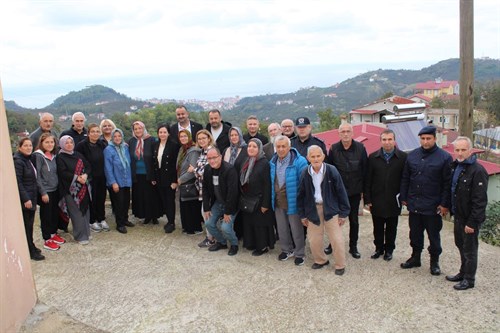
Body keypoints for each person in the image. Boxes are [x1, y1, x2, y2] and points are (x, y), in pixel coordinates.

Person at [399, 126, 453, 275]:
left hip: (433, 206)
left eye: (428, 138)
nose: (425, 141)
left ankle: (434, 262)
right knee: (415, 234)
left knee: (434, 236)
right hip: (414, 204)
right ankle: (415, 258)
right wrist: (404, 197)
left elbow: (447, 184)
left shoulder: (444, 157)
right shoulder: (412, 155)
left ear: (435, 139)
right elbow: (405, 178)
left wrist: (444, 204)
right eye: (423, 138)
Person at [298, 145, 350, 275]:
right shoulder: (305, 172)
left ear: (323, 156)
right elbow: (301, 196)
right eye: (313, 156)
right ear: (308, 158)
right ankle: (320, 260)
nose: (316, 159)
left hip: (330, 209)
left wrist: (343, 213)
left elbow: (341, 191)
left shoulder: (331, 170)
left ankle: (340, 264)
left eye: (318, 156)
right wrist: (303, 215)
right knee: (314, 239)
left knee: (336, 239)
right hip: (313, 209)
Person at [446, 136, 488, 290]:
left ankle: (469, 280)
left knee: (470, 250)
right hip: (459, 216)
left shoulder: (478, 170)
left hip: (470, 219)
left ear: (470, 151)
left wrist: (472, 222)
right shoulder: (456, 167)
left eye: (463, 150)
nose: (460, 153)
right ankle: (462, 273)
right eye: (457, 150)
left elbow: (480, 200)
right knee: (460, 245)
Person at [364, 129, 407, 261]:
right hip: (377, 199)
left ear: (394, 141)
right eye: (384, 140)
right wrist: (368, 199)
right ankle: (378, 249)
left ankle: (389, 250)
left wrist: (403, 197)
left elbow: (405, 179)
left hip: (394, 199)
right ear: (380, 141)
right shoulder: (372, 157)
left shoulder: (403, 157)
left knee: (391, 227)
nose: (387, 142)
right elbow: (368, 179)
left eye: (390, 139)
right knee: (377, 227)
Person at [327, 123, 368, 259]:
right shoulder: (333, 148)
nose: (345, 134)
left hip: (354, 192)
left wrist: (363, 191)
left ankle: (353, 246)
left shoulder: (361, 148)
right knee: (334, 221)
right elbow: (329, 171)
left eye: (348, 131)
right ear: (339, 134)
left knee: (353, 220)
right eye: (342, 131)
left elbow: (364, 170)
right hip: (337, 192)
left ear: (352, 133)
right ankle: (333, 244)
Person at [270, 135, 308, 266]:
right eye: (278, 147)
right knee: (282, 227)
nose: (280, 149)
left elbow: (305, 184)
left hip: (293, 200)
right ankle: (286, 250)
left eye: (283, 146)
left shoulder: (299, 161)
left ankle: (300, 253)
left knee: (296, 228)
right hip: (278, 200)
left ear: (289, 147)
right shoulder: (273, 161)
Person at [239, 139, 275, 256]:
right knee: (250, 223)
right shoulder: (247, 160)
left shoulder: (264, 163)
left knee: (260, 225)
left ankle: (262, 246)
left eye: (254, 146)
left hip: (260, 200)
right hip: (248, 198)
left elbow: (267, 185)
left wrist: (265, 204)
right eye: (249, 146)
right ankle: (252, 243)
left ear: (259, 149)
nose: (251, 148)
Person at [202, 148, 240, 256]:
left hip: (231, 203)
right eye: (209, 158)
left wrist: (228, 212)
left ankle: (234, 244)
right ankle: (222, 242)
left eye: (214, 157)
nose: (212, 160)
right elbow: (205, 189)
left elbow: (233, 193)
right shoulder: (208, 169)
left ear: (220, 157)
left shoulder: (229, 170)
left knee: (225, 227)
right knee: (208, 223)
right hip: (218, 202)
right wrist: (206, 207)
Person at [33, 133, 66, 251]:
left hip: (55, 189)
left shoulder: (54, 155)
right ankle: (47, 239)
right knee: (46, 216)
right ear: (41, 143)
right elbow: (37, 177)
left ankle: (53, 233)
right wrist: (42, 192)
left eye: (51, 142)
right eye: (46, 142)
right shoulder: (38, 156)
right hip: (46, 192)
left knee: (54, 214)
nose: (49, 144)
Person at [57, 135, 92, 245]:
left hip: (83, 187)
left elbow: (88, 166)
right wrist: (77, 178)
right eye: (66, 143)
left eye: (71, 142)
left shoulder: (78, 154)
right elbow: (62, 172)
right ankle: (80, 236)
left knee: (85, 209)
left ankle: (87, 233)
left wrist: (85, 175)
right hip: (70, 190)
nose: (69, 144)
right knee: (76, 213)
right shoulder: (60, 157)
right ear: (62, 144)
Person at [14, 138, 45, 261]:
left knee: (30, 225)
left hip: (31, 196)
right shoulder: (18, 161)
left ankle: (31, 245)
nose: (28, 147)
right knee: (27, 226)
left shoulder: (28, 159)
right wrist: (26, 199)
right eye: (25, 145)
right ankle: (30, 251)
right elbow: (18, 182)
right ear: (20, 147)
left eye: (30, 145)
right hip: (26, 199)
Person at [76, 123, 109, 232]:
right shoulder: (81, 146)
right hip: (89, 177)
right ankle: (92, 220)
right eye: (93, 131)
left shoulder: (102, 144)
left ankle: (101, 218)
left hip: (102, 176)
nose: (95, 134)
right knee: (92, 199)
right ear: (88, 133)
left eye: (97, 131)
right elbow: (79, 161)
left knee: (101, 197)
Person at [128, 121, 160, 225]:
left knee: (152, 196)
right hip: (137, 174)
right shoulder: (131, 141)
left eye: (139, 128)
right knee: (141, 196)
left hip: (149, 173)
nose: (138, 130)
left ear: (143, 128)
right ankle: (146, 215)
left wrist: (154, 175)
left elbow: (155, 158)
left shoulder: (151, 140)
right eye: (135, 129)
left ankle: (154, 216)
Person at [104, 129, 134, 234]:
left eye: (119, 136)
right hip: (116, 181)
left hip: (126, 180)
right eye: (115, 136)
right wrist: (113, 182)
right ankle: (120, 224)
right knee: (118, 203)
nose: (117, 138)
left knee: (126, 202)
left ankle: (125, 220)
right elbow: (108, 168)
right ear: (112, 137)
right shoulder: (108, 149)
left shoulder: (125, 147)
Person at [152, 124, 180, 233]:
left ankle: (171, 222)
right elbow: (154, 163)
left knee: (170, 201)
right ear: (158, 134)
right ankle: (169, 220)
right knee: (164, 200)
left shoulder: (174, 145)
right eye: (160, 132)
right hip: (159, 177)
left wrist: (175, 181)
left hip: (169, 178)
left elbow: (175, 165)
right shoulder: (155, 144)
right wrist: (154, 178)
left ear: (168, 133)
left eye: (164, 132)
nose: (162, 134)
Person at [176, 130, 204, 235]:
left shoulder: (194, 151)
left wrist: (180, 180)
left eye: (185, 136)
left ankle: (195, 228)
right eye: (181, 136)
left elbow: (193, 171)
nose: (183, 138)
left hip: (190, 182)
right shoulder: (182, 149)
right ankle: (187, 228)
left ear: (189, 137)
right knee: (185, 206)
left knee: (191, 206)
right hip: (183, 182)